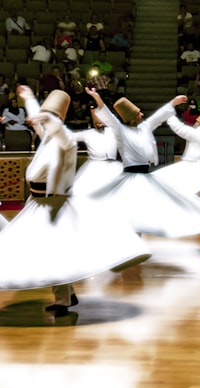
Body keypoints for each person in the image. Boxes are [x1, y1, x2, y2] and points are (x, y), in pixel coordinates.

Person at [0, 87, 149, 317]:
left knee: (55, 251)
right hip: (36, 203)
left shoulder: (65, 141)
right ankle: (66, 295)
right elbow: (43, 125)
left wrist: (45, 117)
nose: (42, 124)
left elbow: (58, 130)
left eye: (48, 119)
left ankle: (63, 299)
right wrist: (29, 98)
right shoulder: (46, 140)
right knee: (39, 249)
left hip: (54, 205)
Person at [85, 88, 200, 237]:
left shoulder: (145, 127)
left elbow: (159, 116)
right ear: (132, 118)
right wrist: (97, 97)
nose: (142, 114)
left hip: (145, 175)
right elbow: (108, 116)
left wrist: (173, 103)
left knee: (143, 209)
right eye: (138, 113)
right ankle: (129, 238)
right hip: (131, 176)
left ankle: (137, 238)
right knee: (130, 209)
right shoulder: (120, 130)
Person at [70, 107, 124, 197]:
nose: (99, 124)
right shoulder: (88, 133)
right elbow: (71, 137)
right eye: (97, 122)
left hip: (113, 165)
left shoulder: (113, 131)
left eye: (101, 121)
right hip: (94, 166)